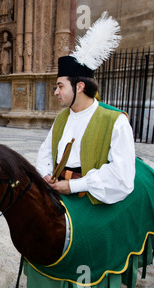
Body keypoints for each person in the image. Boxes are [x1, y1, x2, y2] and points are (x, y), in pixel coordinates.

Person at [36, 13, 135, 205]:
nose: (56, 92)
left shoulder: (115, 121)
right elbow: (46, 152)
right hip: (58, 192)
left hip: (92, 198)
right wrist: (46, 174)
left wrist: (75, 185)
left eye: (60, 86)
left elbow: (122, 176)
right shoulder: (62, 117)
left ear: (79, 87)